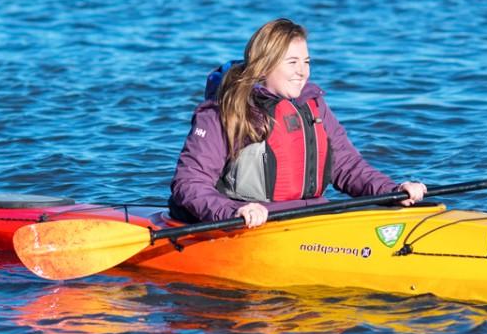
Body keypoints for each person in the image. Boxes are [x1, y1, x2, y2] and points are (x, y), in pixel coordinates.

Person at [169, 18, 426, 228]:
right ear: (264, 66)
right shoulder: (222, 113)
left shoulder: (312, 106)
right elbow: (190, 183)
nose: (302, 72)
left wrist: (393, 190)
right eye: (292, 62)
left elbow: (348, 166)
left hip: (310, 220)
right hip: (251, 225)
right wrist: (233, 211)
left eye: (306, 62)